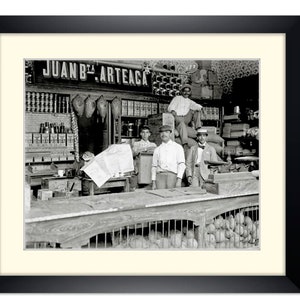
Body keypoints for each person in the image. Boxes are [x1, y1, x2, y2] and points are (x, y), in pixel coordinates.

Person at [151, 125, 186, 190]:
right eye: (161, 132)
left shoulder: (178, 147)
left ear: (170, 133)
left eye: (166, 132)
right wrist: (153, 182)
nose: (163, 134)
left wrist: (179, 180)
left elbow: (181, 164)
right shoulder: (157, 150)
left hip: (172, 176)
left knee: (172, 198)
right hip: (160, 177)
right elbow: (154, 167)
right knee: (160, 197)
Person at [130, 126, 157, 190]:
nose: (145, 135)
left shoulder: (153, 145)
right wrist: (144, 149)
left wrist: (146, 149)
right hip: (139, 169)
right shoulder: (136, 144)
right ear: (140, 134)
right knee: (137, 188)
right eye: (143, 132)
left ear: (149, 134)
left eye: (147, 132)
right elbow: (133, 154)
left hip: (149, 169)